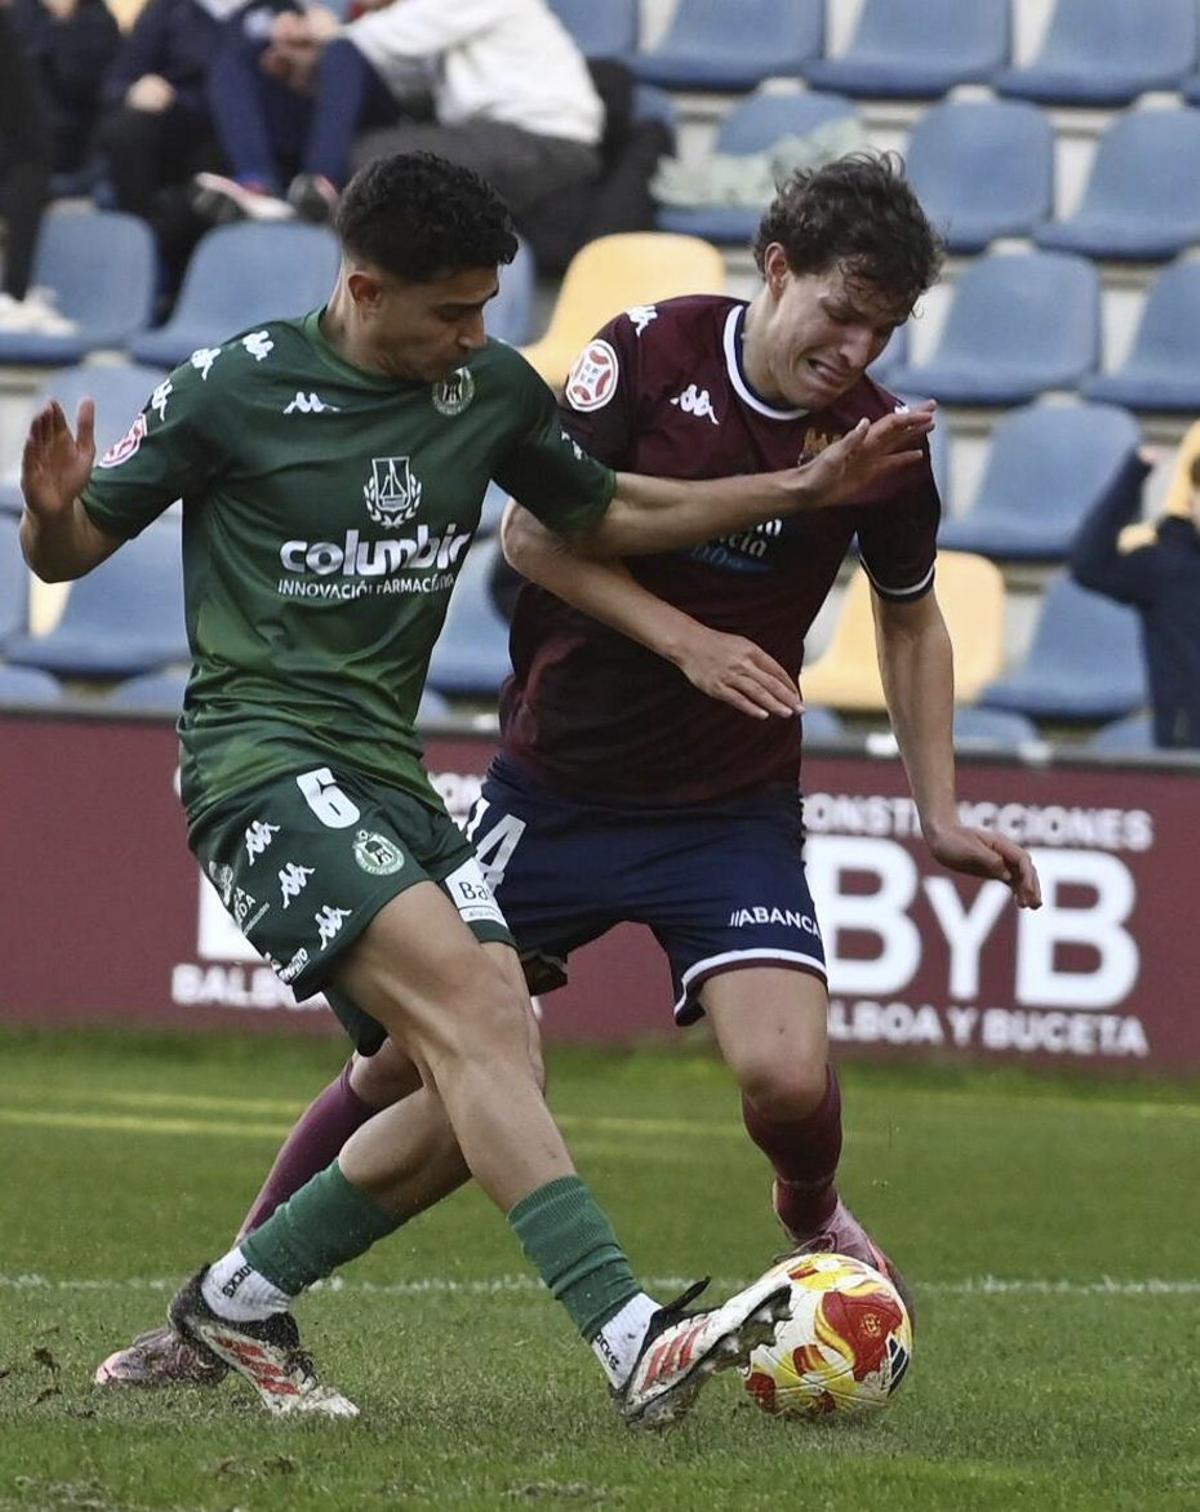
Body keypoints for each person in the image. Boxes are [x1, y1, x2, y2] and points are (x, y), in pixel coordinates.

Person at [94, 152, 1036, 1401]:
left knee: (785, 1074)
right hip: (559, 784)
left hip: (729, 805)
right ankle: (236, 1302)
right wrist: (687, 637)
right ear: (776, 270)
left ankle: (809, 1211)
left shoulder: (878, 444)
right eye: (840, 310)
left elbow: (912, 616)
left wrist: (941, 810)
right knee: (412, 1066)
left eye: (885, 327)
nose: (857, 347)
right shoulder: (644, 353)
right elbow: (547, 532)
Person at [194, 0, 602, 228]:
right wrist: (307, 67)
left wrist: (324, 32)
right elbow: (383, 73)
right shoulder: (413, 30)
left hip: (547, 142)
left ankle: (314, 193)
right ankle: (259, 185)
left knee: (369, 162)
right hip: (488, 135)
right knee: (239, 62)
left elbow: (391, 36)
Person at [1070, 447, 1200, 749]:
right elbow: (1089, 565)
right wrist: (1133, 476)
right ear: (1191, 503)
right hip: (1185, 747)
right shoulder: (1163, 565)